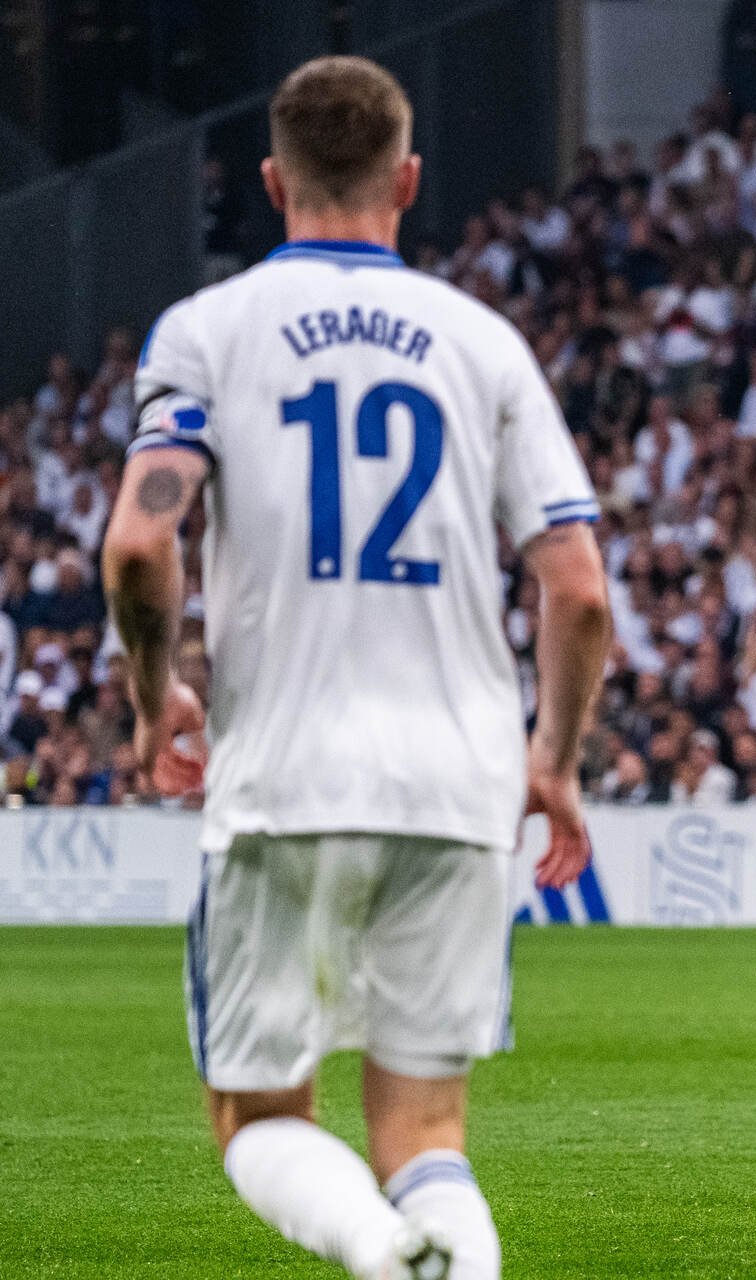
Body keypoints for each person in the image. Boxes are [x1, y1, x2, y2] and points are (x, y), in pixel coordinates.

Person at [101, 57, 612, 1280]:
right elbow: (580, 587)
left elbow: (137, 538)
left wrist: (152, 693)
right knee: (428, 1134)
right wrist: (553, 757)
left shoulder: (208, 330)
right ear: (411, 178)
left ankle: (386, 1255)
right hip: (457, 781)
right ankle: (427, 1249)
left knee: (262, 1120)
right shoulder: (482, 342)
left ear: (272, 181)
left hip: (283, 774)